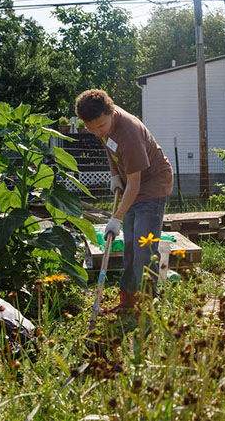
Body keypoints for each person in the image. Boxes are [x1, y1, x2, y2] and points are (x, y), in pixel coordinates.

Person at [75, 89, 173, 313]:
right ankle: (128, 298)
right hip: (131, 181)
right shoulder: (103, 126)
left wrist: (115, 218)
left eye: (100, 126)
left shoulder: (128, 132)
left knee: (143, 246)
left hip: (152, 184)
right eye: (91, 128)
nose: (97, 132)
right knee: (129, 245)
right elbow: (111, 150)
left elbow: (136, 184)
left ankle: (147, 301)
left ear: (111, 112)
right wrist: (114, 175)